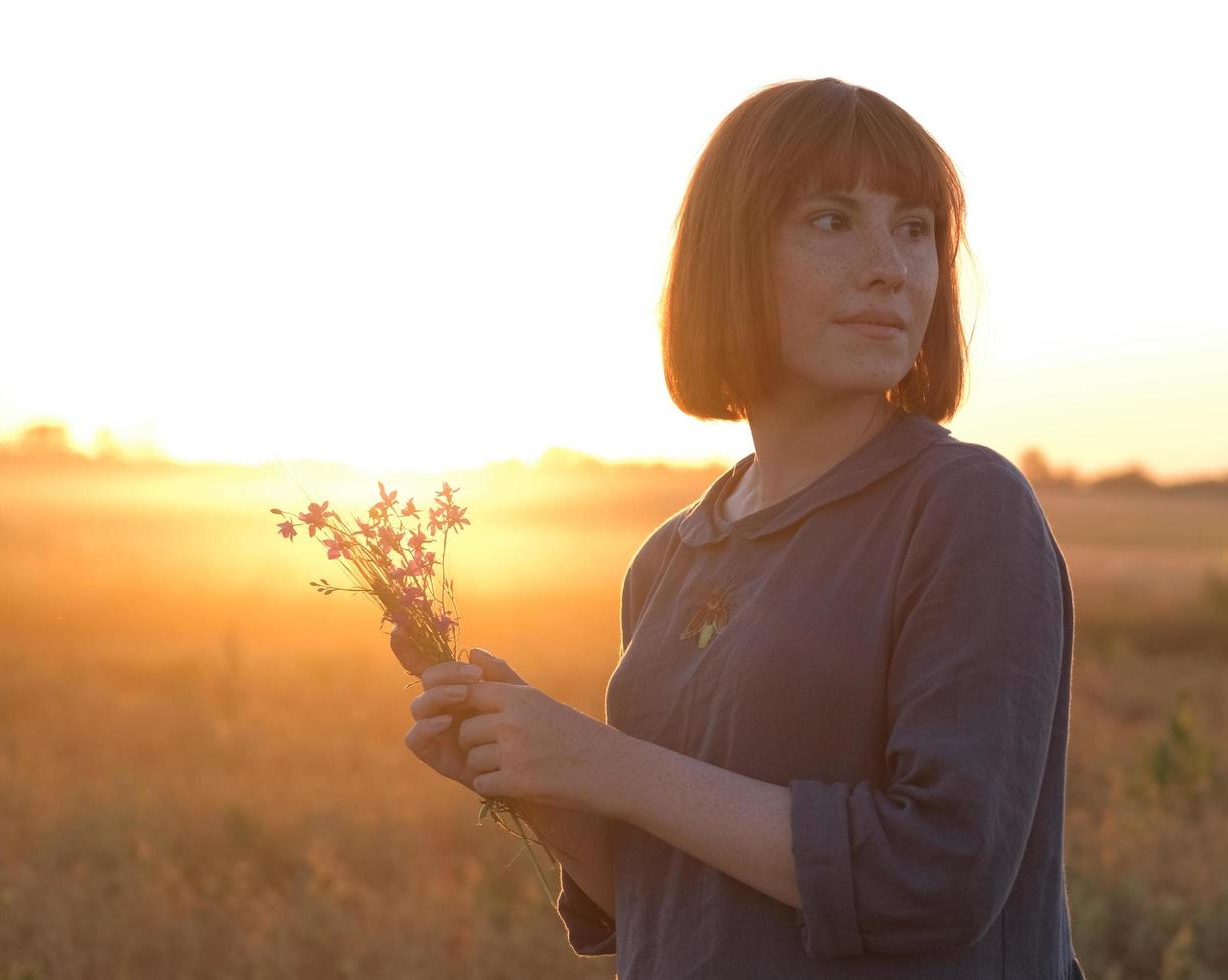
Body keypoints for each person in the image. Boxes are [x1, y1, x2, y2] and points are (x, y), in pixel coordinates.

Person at [394, 76, 1085, 978]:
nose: (890, 265)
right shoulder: (671, 558)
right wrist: (536, 778)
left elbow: (935, 879)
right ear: (730, 259)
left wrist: (607, 765)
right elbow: (670, 897)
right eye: (832, 221)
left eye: (914, 229)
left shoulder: (962, 508)